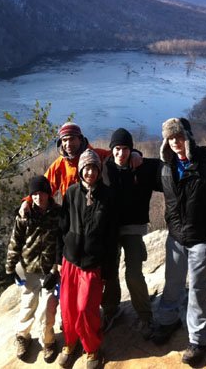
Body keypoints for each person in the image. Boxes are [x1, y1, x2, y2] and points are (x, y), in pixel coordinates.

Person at [151, 117, 206, 367]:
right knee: (173, 283)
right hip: (176, 237)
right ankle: (167, 321)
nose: (175, 142)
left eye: (179, 137)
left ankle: (198, 339)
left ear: (188, 138)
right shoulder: (166, 167)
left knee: (198, 290)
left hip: (201, 239)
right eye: (170, 138)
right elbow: (140, 173)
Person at [56, 149, 117, 369]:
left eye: (94, 168)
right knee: (68, 307)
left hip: (93, 262)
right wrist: (57, 259)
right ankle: (71, 344)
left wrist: (110, 270)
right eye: (86, 168)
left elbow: (112, 236)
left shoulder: (108, 196)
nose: (90, 172)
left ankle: (92, 348)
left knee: (85, 309)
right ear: (80, 170)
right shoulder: (71, 193)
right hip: (70, 260)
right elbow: (62, 228)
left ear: (99, 170)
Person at [100, 127, 160, 337]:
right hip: (110, 229)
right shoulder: (104, 168)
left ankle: (145, 316)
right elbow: (80, 157)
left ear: (131, 150)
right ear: (111, 149)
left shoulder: (141, 167)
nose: (121, 153)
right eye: (117, 148)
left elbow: (168, 167)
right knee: (109, 273)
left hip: (133, 228)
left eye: (126, 149)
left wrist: (139, 155)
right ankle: (110, 310)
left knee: (133, 274)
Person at [5, 175, 62, 363]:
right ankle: (23, 337)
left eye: (42, 193)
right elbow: (15, 242)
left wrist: (56, 271)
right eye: (34, 194)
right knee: (28, 305)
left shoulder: (59, 214)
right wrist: (10, 267)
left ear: (48, 193)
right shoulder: (25, 214)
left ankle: (49, 341)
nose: (39, 197)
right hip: (28, 268)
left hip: (49, 271)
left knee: (47, 309)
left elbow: (63, 244)